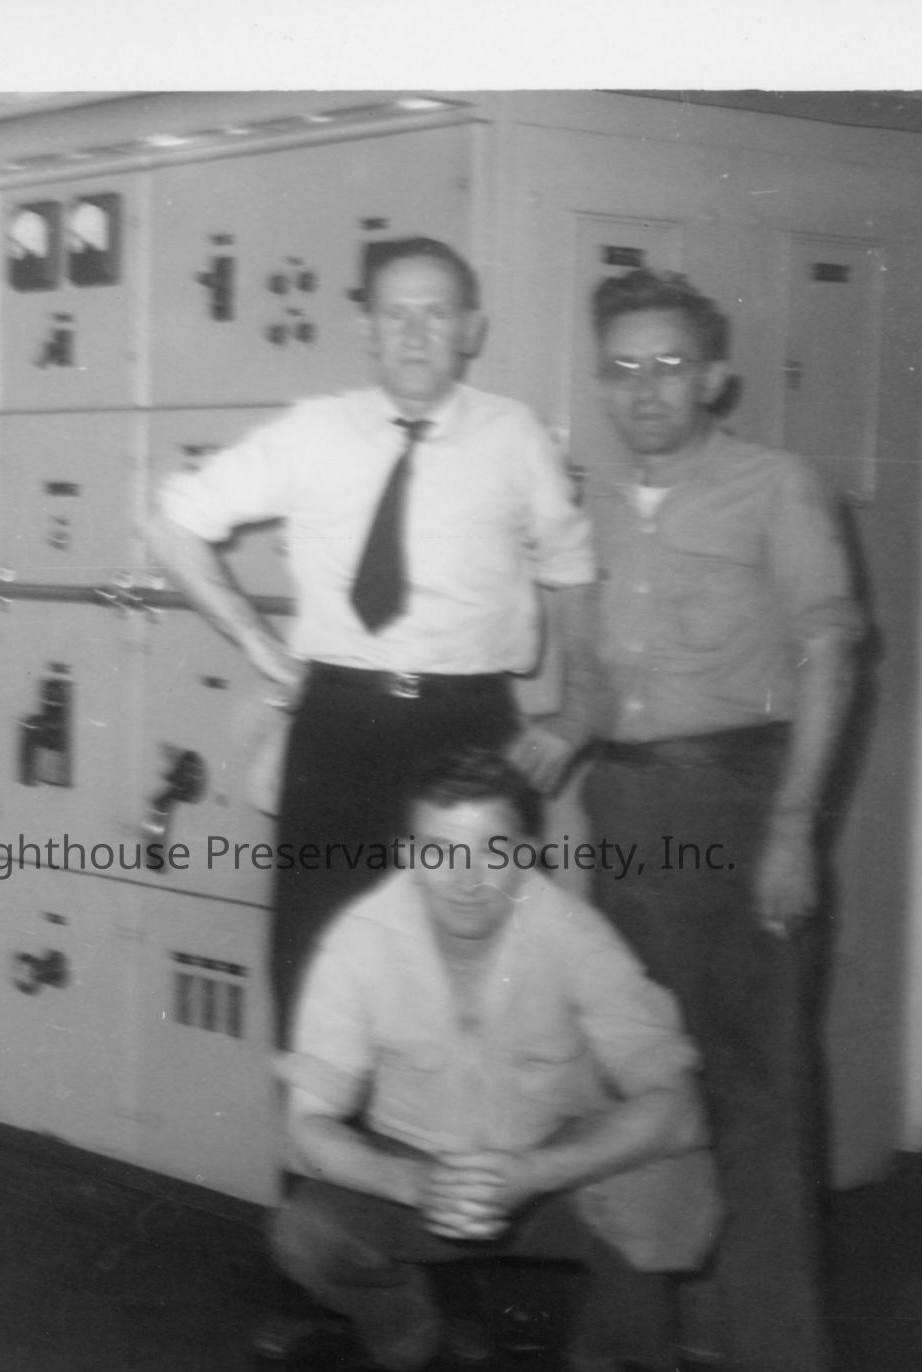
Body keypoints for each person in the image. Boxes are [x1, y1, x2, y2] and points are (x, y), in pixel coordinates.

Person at [147, 236, 598, 1028]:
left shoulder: (515, 436)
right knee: (319, 965)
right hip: (338, 731)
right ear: (366, 329)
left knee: (481, 977)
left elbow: (573, 568)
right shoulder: (312, 431)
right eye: (396, 314)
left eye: (437, 314)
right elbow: (173, 523)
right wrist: (258, 644)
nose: (415, 335)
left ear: (472, 329)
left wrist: (578, 708)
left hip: (471, 730)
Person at [575, 268, 865, 1372]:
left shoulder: (777, 487)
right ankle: (636, 1326)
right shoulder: (590, 496)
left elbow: (831, 655)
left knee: (753, 1073)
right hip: (622, 804)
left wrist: (793, 828)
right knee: (632, 1061)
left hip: (738, 800)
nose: (646, 389)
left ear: (714, 377)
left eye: (670, 365)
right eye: (623, 367)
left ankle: (771, 1347)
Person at [272, 751, 717, 1372]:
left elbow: (680, 1108)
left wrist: (535, 1172)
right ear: (408, 855)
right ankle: (405, 1330)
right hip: (419, 1178)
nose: (466, 878)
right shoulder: (358, 941)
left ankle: (614, 1355)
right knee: (305, 1233)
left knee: (672, 1178)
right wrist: (414, 1183)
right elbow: (305, 1128)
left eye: (493, 849)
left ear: (528, 854)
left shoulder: (574, 932)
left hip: (552, 1175)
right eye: (439, 852)